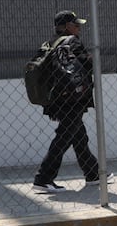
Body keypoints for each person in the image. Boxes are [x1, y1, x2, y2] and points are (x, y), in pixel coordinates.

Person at [33, 10, 112, 192]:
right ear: (67, 26)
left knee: (78, 136)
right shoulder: (71, 42)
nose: (78, 28)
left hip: (55, 99)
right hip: (72, 99)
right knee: (64, 137)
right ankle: (43, 178)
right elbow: (87, 65)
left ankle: (92, 173)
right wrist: (90, 58)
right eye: (76, 25)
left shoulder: (49, 43)